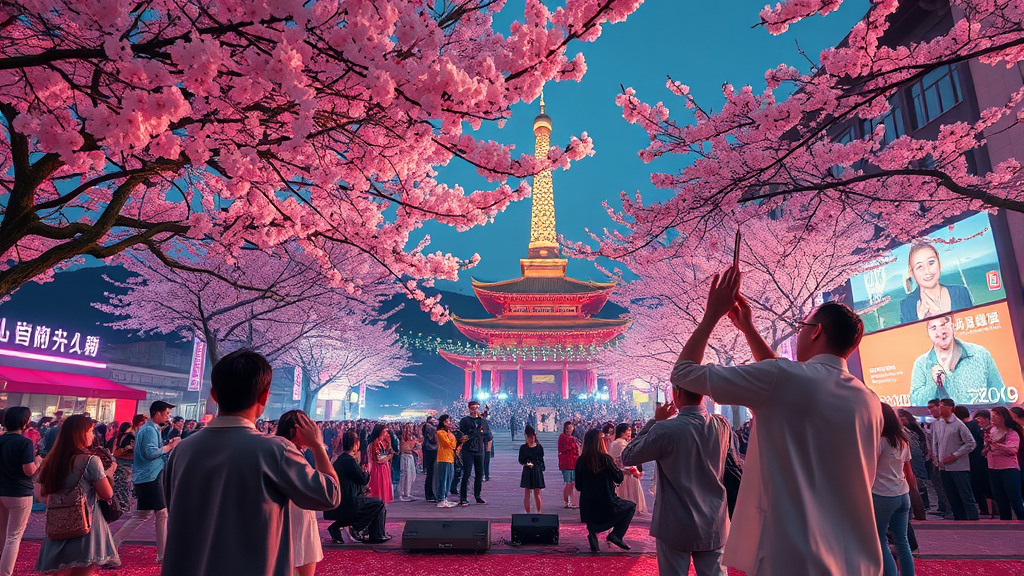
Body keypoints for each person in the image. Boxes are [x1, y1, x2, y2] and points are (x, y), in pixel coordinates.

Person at [671, 266, 883, 576]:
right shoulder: (868, 399)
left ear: (816, 331)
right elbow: (781, 379)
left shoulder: (784, 379)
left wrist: (711, 316)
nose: (798, 332)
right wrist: (748, 329)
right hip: (858, 557)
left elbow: (684, 374)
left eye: (802, 325)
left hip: (795, 554)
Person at [162, 349, 340, 576]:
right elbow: (330, 495)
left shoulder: (182, 450)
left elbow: (173, 506)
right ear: (265, 397)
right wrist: (316, 445)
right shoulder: (276, 450)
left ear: (214, 394)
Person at [621, 384, 731, 576]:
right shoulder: (721, 424)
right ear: (704, 395)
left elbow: (628, 456)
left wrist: (655, 421)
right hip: (714, 518)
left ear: (676, 393)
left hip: (675, 520)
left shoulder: (665, 428)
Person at [34, 415, 120, 574]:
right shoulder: (90, 460)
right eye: (90, 431)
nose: (93, 435)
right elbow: (107, 493)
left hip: (57, 523)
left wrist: (57, 504)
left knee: (59, 570)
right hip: (85, 522)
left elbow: (39, 490)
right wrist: (110, 471)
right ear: (79, 434)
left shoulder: (51, 460)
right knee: (83, 570)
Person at [113, 401, 180, 563]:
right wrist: (170, 447)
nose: (168, 417)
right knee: (152, 514)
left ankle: (162, 554)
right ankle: (162, 555)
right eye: (166, 413)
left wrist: (167, 445)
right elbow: (150, 454)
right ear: (157, 413)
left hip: (148, 476)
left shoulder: (149, 429)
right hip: (150, 476)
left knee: (152, 514)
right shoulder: (149, 430)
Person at [909, 315, 1005, 406]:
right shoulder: (921, 364)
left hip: (978, 421)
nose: (940, 332)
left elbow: (1000, 396)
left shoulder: (980, 354)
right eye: (933, 328)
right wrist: (934, 385)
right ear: (928, 333)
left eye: (943, 325)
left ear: (953, 325)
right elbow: (916, 403)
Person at [275, 410, 324, 576]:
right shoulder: (287, 452)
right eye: (307, 426)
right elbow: (328, 493)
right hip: (295, 514)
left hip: (299, 514)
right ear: (293, 430)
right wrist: (317, 445)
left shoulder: (289, 450)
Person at [574, 429, 635, 553]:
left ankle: (592, 533)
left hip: (588, 504)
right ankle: (616, 534)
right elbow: (618, 477)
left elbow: (578, 486)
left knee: (591, 515)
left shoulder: (581, 461)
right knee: (630, 507)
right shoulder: (606, 459)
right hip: (607, 500)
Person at [874, 403, 917, 576]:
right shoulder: (902, 439)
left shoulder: (880, 440)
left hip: (883, 494)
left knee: (880, 540)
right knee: (902, 541)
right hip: (902, 492)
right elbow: (907, 467)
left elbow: (869, 466)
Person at [0, 407, 41, 576]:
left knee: (2, 533)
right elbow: (28, 471)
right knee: (14, 537)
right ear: (23, 421)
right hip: (19, 492)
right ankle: (5, 572)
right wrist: (38, 462)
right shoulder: (24, 443)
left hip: (1, 489)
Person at [899, 242, 974, 324]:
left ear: (939, 263)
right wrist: (920, 321)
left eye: (931, 263)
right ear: (912, 273)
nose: (927, 271)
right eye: (919, 267)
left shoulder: (961, 292)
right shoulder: (906, 306)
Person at [931, 398, 978, 520]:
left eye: (941, 406)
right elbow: (935, 443)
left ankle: (974, 522)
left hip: (959, 467)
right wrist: (935, 457)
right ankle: (959, 521)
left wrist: (955, 455)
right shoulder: (937, 424)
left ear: (950, 408)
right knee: (951, 497)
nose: (939, 409)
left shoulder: (958, 424)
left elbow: (971, 443)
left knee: (966, 496)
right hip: (943, 467)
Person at [983, 406, 1024, 520]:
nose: (993, 417)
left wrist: (996, 445)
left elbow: (1012, 451)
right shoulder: (991, 431)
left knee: (1015, 500)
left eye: (996, 415)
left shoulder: (1012, 433)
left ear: (1004, 417)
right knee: (1000, 501)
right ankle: (1005, 526)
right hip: (993, 468)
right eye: (992, 415)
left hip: (1009, 469)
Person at [607, 423, 647, 515]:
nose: (630, 433)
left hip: (622, 473)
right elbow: (625, 460)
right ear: (622, 432)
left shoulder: (615, 442)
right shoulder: (621, 443)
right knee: (629, 494)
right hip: (626, 473)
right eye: (628, 430)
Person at [898, 409, 933, 512]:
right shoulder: (908, 430)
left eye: (901, 416)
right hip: (911, 459)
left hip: (916, 459)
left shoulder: (912, 430)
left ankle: (922, 505)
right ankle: (921, 506)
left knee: (919, 480)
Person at [960, 406, 992, 517]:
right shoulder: (975, 427)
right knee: (982, 484)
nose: (978, 420)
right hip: (980, 459)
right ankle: (988, 508)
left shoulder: (969, 427)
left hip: (977, 460)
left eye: (980, 418)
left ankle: (987, 508)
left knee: (979, 484)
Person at [458, 401, 490, 507]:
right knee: (466, 474)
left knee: (479, 474)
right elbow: (463, 434)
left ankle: (478, 496)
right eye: (473, 408)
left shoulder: (483, 421)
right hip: (468, 450)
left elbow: (488, 435)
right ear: (469, 409)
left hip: (480, 450)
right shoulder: (465, 420)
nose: (475, 410)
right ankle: (463, 497)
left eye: (477, 407)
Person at [924, 400, 952, 517]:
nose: (930, 410)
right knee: (938, 484)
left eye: (932, 407)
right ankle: (943, 507)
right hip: (935, 458)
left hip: (946, 459)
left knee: (945, 485)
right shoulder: (936, 423)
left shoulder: (947, 423)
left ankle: (949, 509)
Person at [112, 415, 145, 514]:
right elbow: (117, 451)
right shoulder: (130, 436)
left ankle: (124, 507)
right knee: (123, 487)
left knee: (126, 487)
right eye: (142, 423)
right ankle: (123, 508)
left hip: (130, 465)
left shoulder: (135, 435)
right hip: (125, 465)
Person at [519, 425, 545, 513]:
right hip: (527, 470)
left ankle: (539, 511)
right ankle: (527, 513)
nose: (530, 439)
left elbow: (541, 460)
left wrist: (536, 464)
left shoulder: (539, 447)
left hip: (536, 470)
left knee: (537, 492)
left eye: (532, 437)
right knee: (527, 493)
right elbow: (521, 460)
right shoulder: (523, 448)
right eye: (528, 437)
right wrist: (527, 463)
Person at [434, 415, 458, 508]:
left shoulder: (449, 433)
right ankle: (441, 499)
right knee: (443, 479)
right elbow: (448, 444)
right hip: (443, 458)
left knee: (449, 479)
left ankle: (445, 498)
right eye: (448, 421)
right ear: (444, 422)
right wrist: (451, 438)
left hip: (450, 458)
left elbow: (454, 445)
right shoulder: (440, 433)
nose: (450, 423)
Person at [366, 424, 394, 504]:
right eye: (384, 432)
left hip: (383, 468)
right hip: (378, 469)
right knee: (378, 492)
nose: (386, 434)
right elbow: (379, 459)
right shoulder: (375, 444)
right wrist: (389, 456)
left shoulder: (382, 443)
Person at [558, 421, 580, 509]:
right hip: (566, 463)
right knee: (568, 483)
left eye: (571, 427)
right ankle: (566, 501)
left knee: (572, 483)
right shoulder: (563, 437)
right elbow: (562, 449)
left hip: (573, 463)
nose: (571, 429)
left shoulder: (572, 438)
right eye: (569, 428)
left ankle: (571, 500)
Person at [397, 424, 419, 502]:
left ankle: (407, 492)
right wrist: (413, 446)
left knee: (412, 475)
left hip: (410, 457)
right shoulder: (402, 438)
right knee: (405, 475)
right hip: (405, 456)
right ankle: (403, 493)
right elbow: (404, 447)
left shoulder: (411, 437)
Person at [421, 416, 438, 503]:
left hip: (431, 450)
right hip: (430, 450)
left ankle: (431, 493)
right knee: (431, 473)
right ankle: (429, 494)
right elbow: (433, 439)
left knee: (432, 473)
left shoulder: (428, 427)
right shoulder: (428, 427)